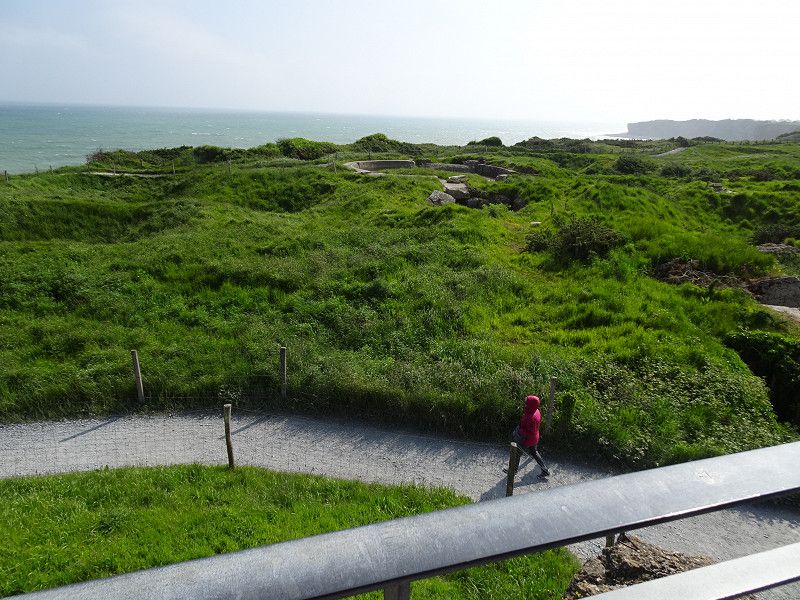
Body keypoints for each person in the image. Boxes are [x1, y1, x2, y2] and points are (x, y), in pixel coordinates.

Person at [511, 395, 550, 478]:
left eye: (527, 403)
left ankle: (513, 470)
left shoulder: (531, 417)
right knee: (534, 452)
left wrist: (518, 430)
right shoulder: (536, 411)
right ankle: (545, 470)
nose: (525, 404)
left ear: (530, 405)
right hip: (535, 437)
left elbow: (528, 431)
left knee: (517, 453)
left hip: (527, 439)